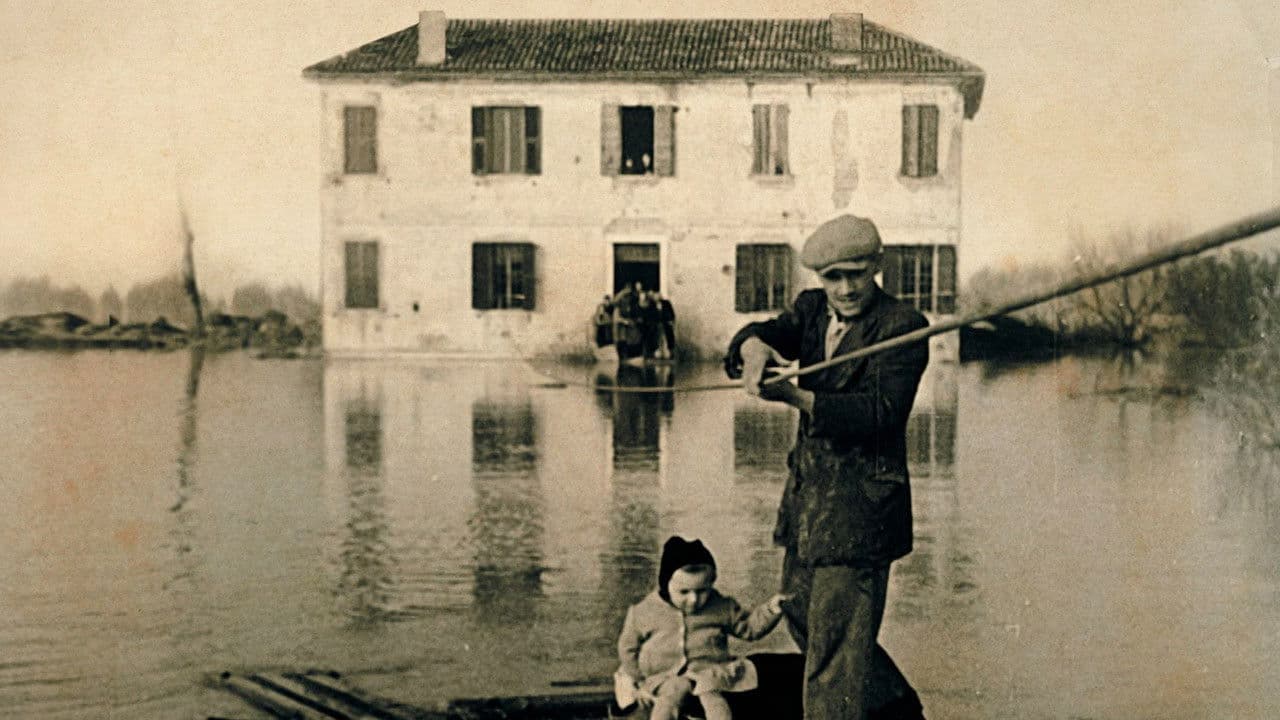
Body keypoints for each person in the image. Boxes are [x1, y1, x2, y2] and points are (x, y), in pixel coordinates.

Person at [722, 215, 930, 720]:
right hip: (808, 507)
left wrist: (795, 396)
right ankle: (900, 713)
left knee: (835, 650)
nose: (845, 288)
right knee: (801, 613)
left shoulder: (902, 326)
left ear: (876, 266)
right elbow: (764, 332)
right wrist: (753, 347)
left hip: (861, 512)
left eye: (855, 274)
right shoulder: (812, 310)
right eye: (833, 277)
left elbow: (880, 413)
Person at [616, 536, 789, 720]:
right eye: (684, 592)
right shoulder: (644, 611)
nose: (693, 599)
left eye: (702, 591)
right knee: (670, 696)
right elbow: (628, 649)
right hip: (665, 676)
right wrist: (639, 681)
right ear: (666, 585)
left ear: (711, 583)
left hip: (709, 672)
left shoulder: (722, 606)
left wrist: (771, 610)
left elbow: (749, 628)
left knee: (714, 700)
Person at [657, 293, 677, 360]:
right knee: (659, 338)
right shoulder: (652, 304)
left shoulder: (666, 303)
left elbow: (671, 313)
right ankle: (660, 354)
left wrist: (671, 320)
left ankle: (671, 353)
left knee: (669, 337)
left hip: (666, 323)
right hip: (658, 324)